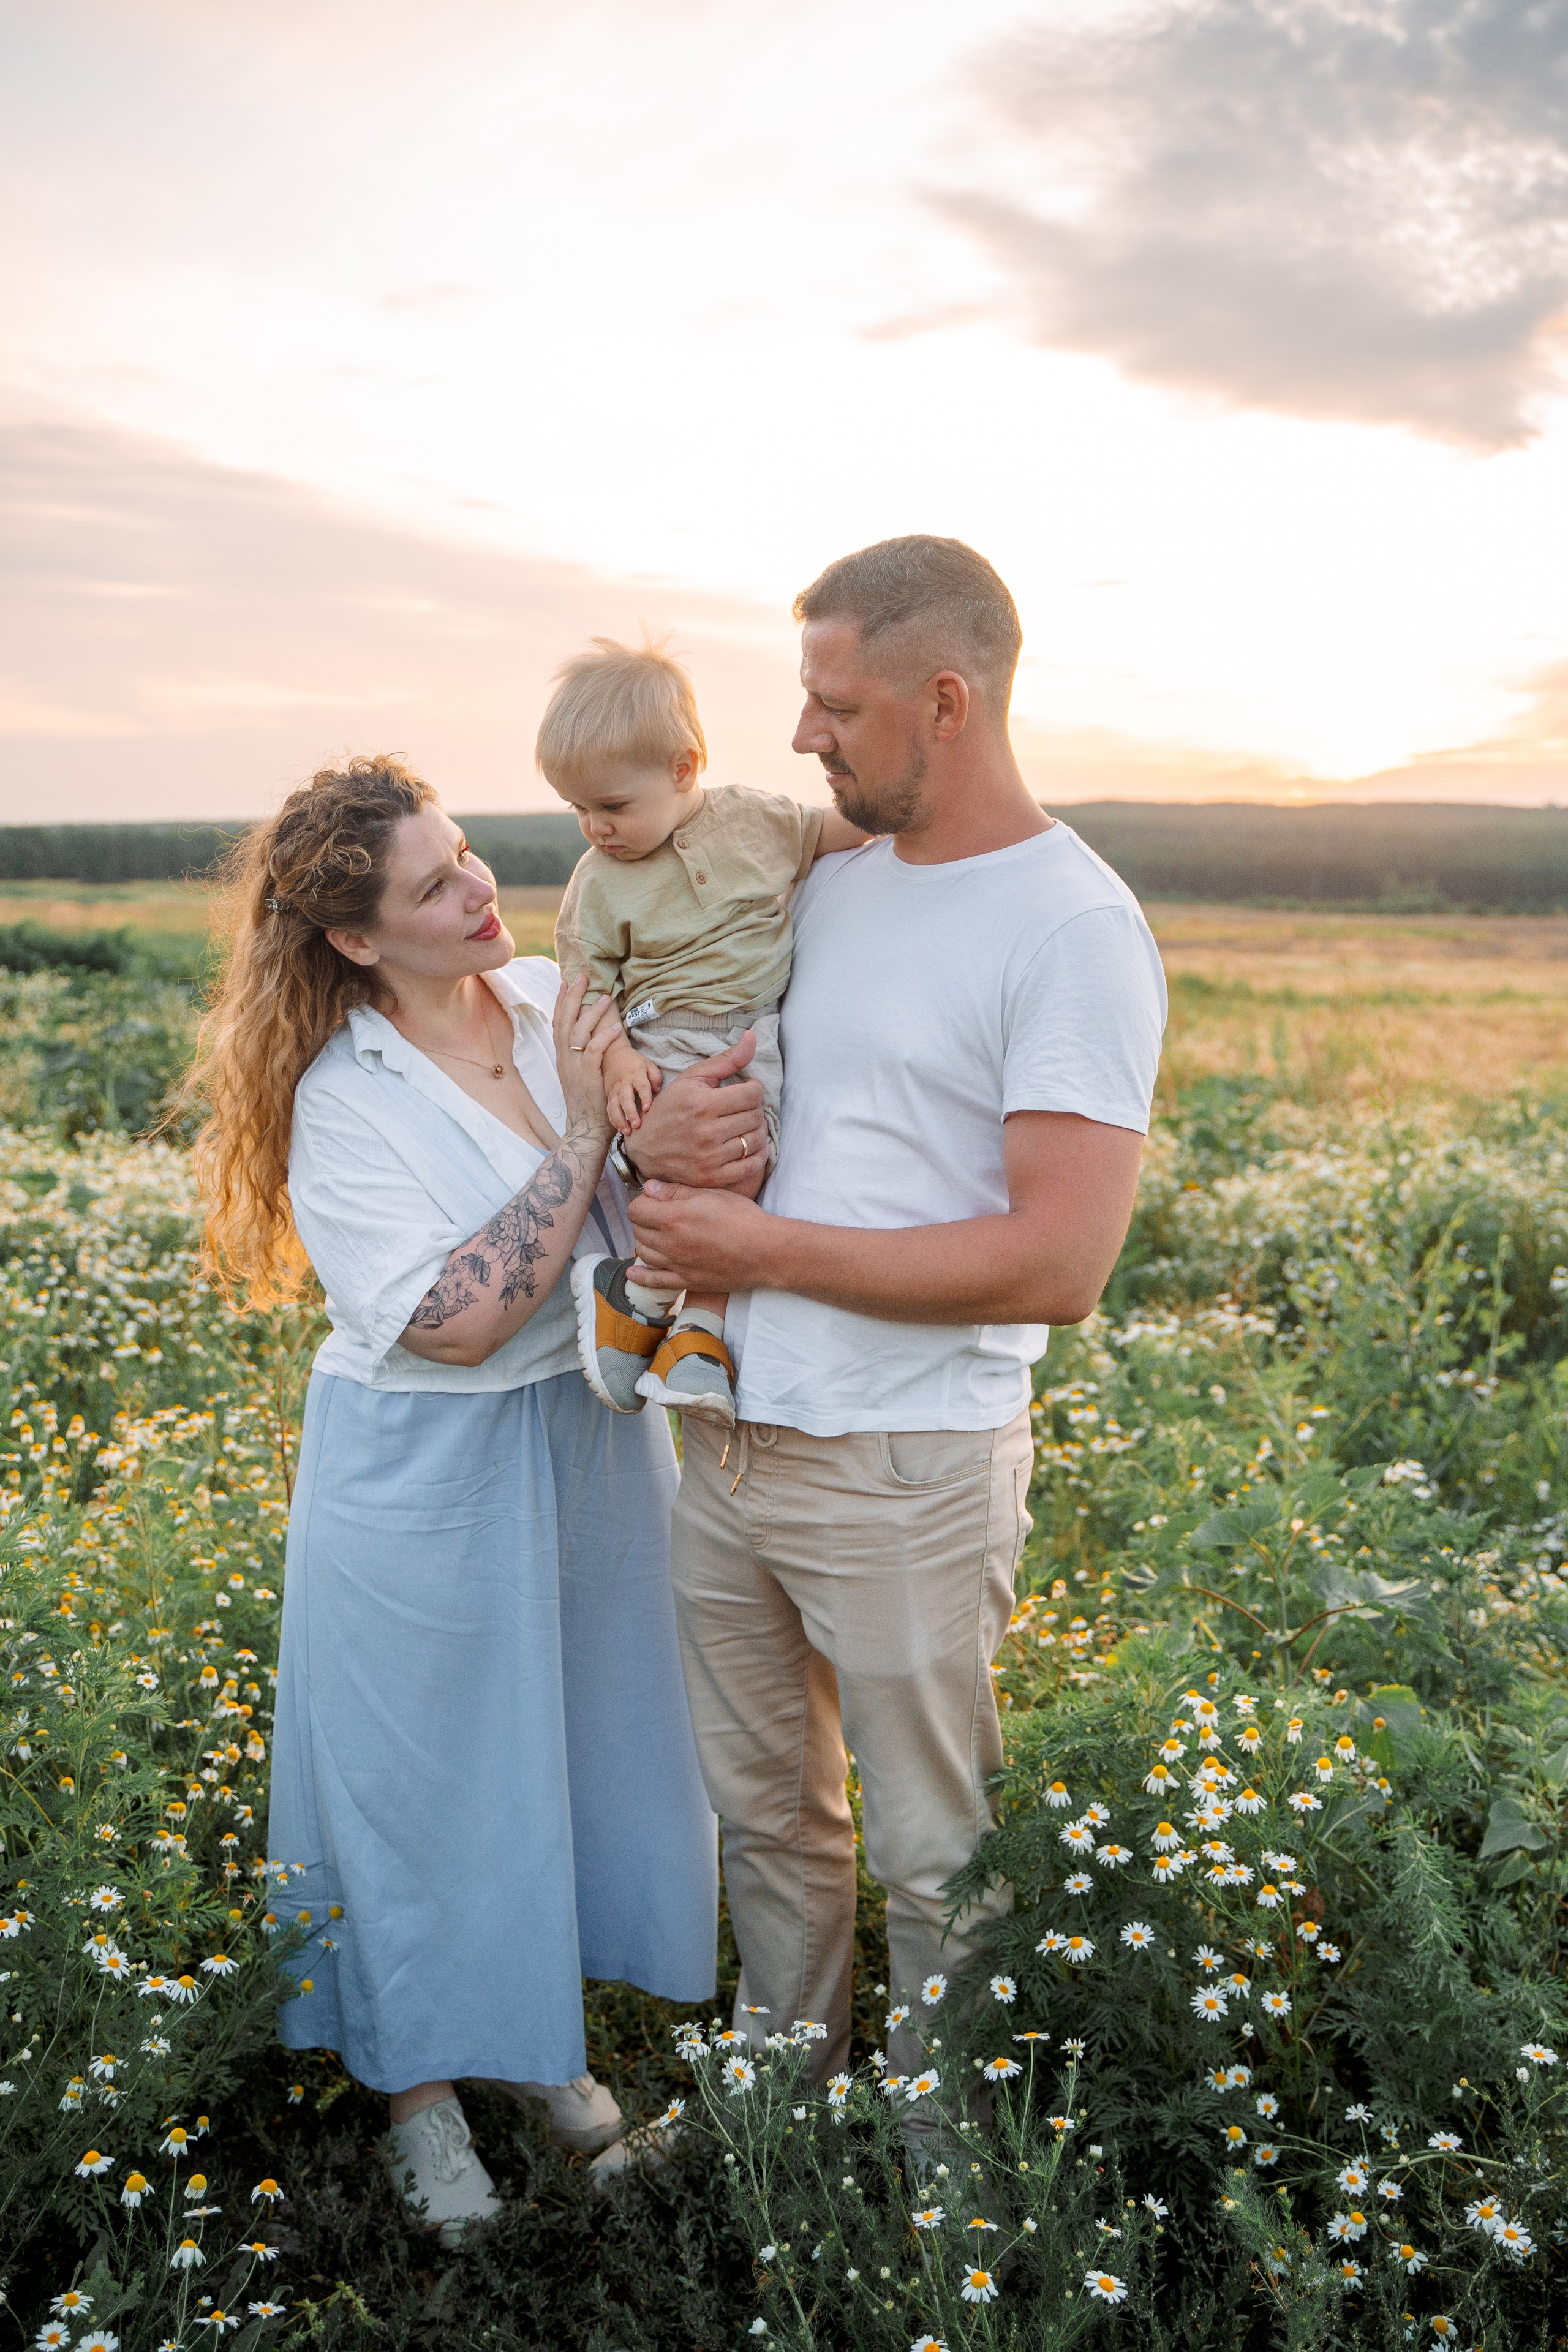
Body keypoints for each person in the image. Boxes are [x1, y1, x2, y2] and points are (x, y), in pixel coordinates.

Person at [624, 535, 1167, 2094]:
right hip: (722, 1439)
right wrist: (658, 1135)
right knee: (771, 1823)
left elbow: (1057, 1261)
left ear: (946, 699)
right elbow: (706, 1061)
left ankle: (945, 2187)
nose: (799, 738)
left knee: (936, 1863)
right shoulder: (830, 882)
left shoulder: (1066, 928)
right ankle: (782, 2117)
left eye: (831, 705)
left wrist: (758, 1245)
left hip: (903, 1469)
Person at [184, 756, 718, 2245]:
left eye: (468, 853)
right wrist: (586, 1141)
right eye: (434, 886)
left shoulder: (558, 995)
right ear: (356, 940)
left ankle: (545, 2057)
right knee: (421, 1791)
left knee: (560, 1758)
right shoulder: (339, 1097)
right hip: (425, 1466)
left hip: (589, 1438)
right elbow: (454, 1317)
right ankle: (418, 2097)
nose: (479, 888)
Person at [540, 636, 865, 1427]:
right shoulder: (598, 882)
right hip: (665, 1039)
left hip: (757, 1037)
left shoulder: (758, 821)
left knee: (751, 1169)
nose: (594, 828)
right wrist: (617, 1061)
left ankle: (662, 1307)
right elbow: (585, 988)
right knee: (718, 1169)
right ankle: (693, 1328)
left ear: (684, 769)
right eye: (577, 809)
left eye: (612, 806)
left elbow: (844, 833)